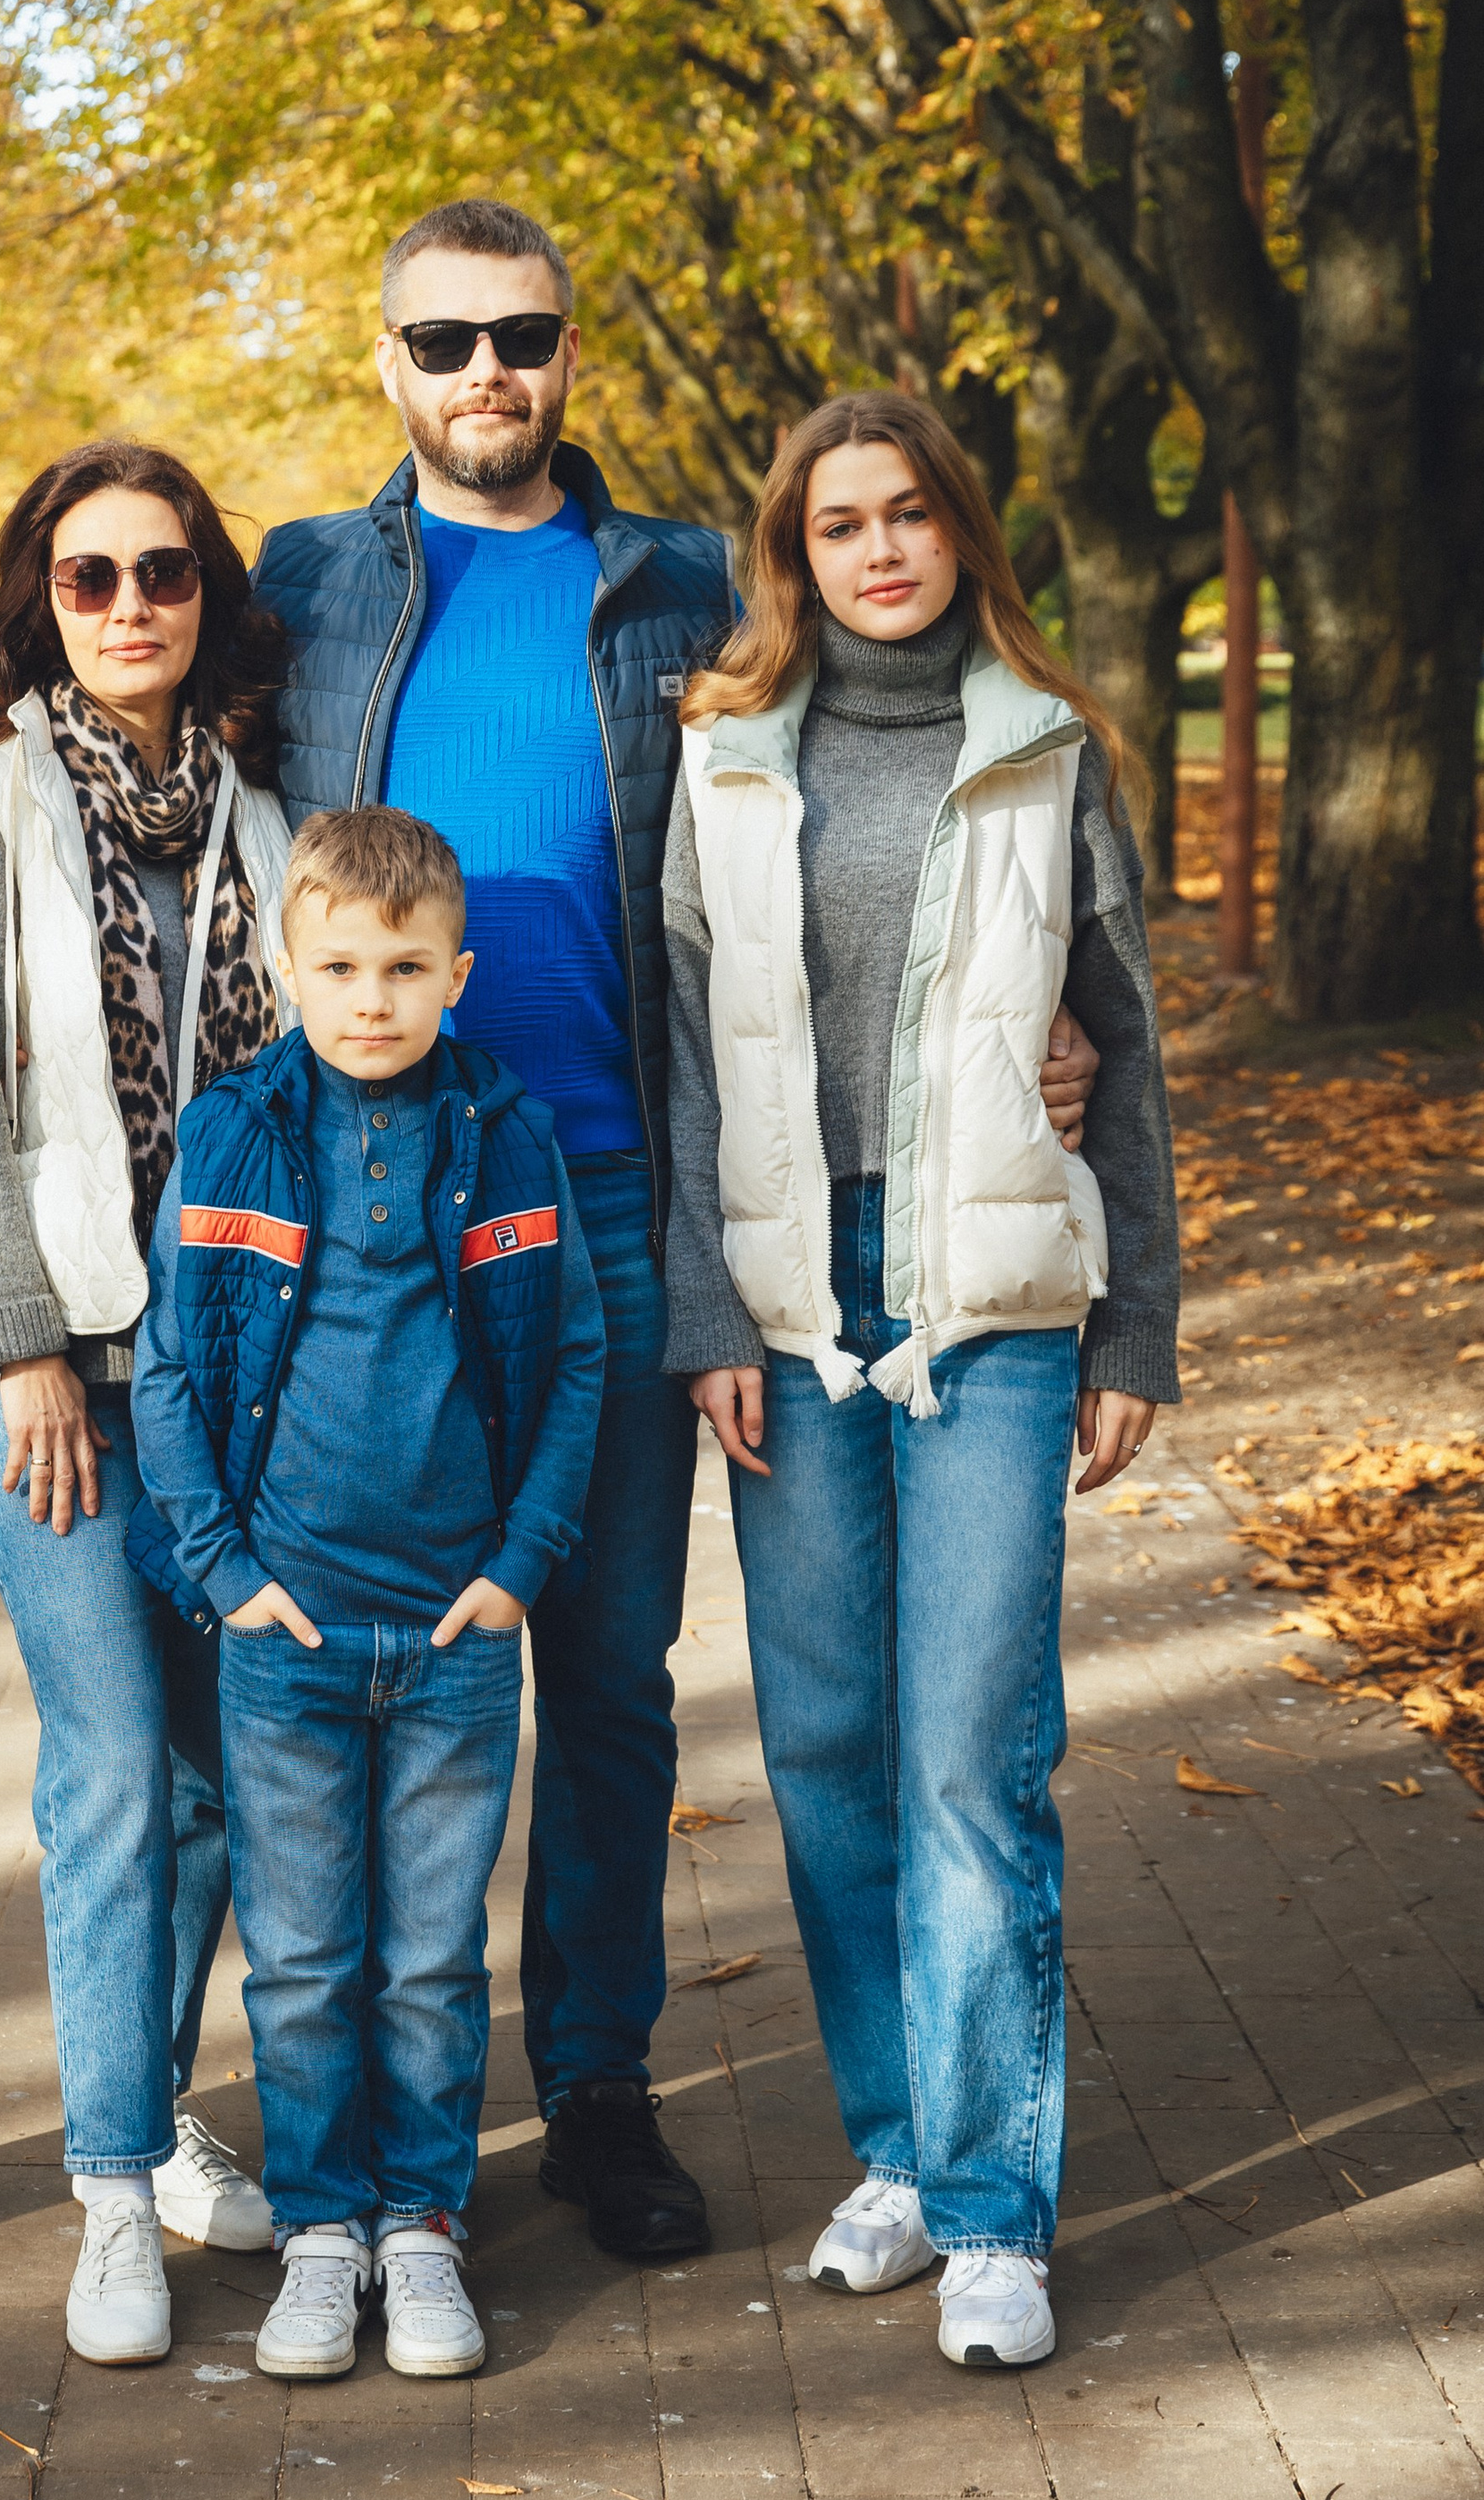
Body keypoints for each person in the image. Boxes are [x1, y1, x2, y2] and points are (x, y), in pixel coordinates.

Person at [255, 198, 1106, 2260]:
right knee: (360, 1667)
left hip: (627, 1208)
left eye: (519, 333)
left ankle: (597, 2084)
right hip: (377, 1211)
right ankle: (359, 2119)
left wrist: (1024, 1020)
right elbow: (140, 721)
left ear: (567, 353)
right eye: (441, 339)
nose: (483, 370)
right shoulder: (303, 585)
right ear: (387, 362)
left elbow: (821, 844)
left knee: (610, 1677)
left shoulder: (681, 587)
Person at [664, 391, 1179, 2375]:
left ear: (961, 531)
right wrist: (706, 1318)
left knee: (971, 1753)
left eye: (908, 514)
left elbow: (1119, 1043)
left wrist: (1134, 1325)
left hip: (990, 1293)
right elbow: (683, 1050)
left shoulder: (1045, 754)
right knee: (822, 1748)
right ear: (789, 554)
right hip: (792, 1303)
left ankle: (987, 2208)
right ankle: (891, 2144)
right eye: (837, 523)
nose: (877, 550)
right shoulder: (719, 757)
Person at [0, 437, 299, 2369]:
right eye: (88, 577)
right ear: (37, 602)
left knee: (211, 1781)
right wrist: (17, 1350)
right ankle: (113, 2189)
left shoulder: (270, 824)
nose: (130, 605)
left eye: (163, 570)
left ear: (208, 593)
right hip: (53, 1378)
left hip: (235, 1380)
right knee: (116, 1771)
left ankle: (148, 2112)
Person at [131, 807, 606, 2380]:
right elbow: (171, 1370)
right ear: (287, 968)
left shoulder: (509, 1133)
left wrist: (520, 1566)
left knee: (428, 1960)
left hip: (457, 1633)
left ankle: (423, 2224)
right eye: (338, 967)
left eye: (406, 968)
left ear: (458, 974)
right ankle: (322, 2232)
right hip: (290, 1635)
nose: (372, 999)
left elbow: (576, 1358)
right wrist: (228, 1576)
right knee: (303, 1962)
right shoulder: (232, 1135)